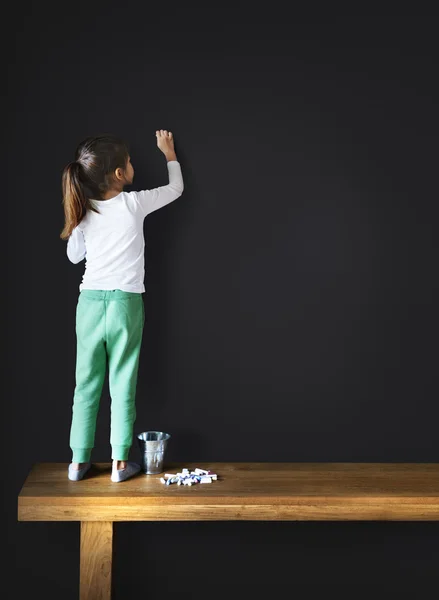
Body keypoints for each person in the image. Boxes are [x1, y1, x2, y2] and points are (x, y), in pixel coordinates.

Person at [60, 131, 184, 482]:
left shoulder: (84, 212)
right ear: (118, 175)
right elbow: (175, 189)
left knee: (85, 384)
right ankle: (119, 464)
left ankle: (77, 462)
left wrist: (76, 223)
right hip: (125, 303)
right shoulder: (133, 203)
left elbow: (74, 258)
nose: (132, 167)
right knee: (122, 383)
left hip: (89, 304)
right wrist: (169, 153)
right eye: (128, 163)